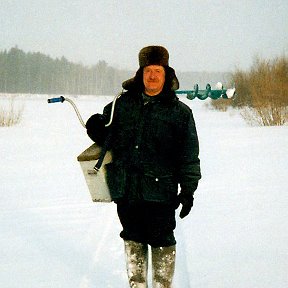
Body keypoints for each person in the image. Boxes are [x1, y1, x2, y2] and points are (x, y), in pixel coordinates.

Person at [86, 46, 201, 288]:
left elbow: (189, 156)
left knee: (162, 242)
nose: (152, 76)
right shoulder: (122, 104)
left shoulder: (180, 113)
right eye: (147, 70)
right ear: (140, 73)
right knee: (132, 239)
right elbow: (108, 134)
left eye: (157, 70)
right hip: (126, 191)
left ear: (166, 74)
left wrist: (188, 190)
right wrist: (95, 127)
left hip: (160, 193)